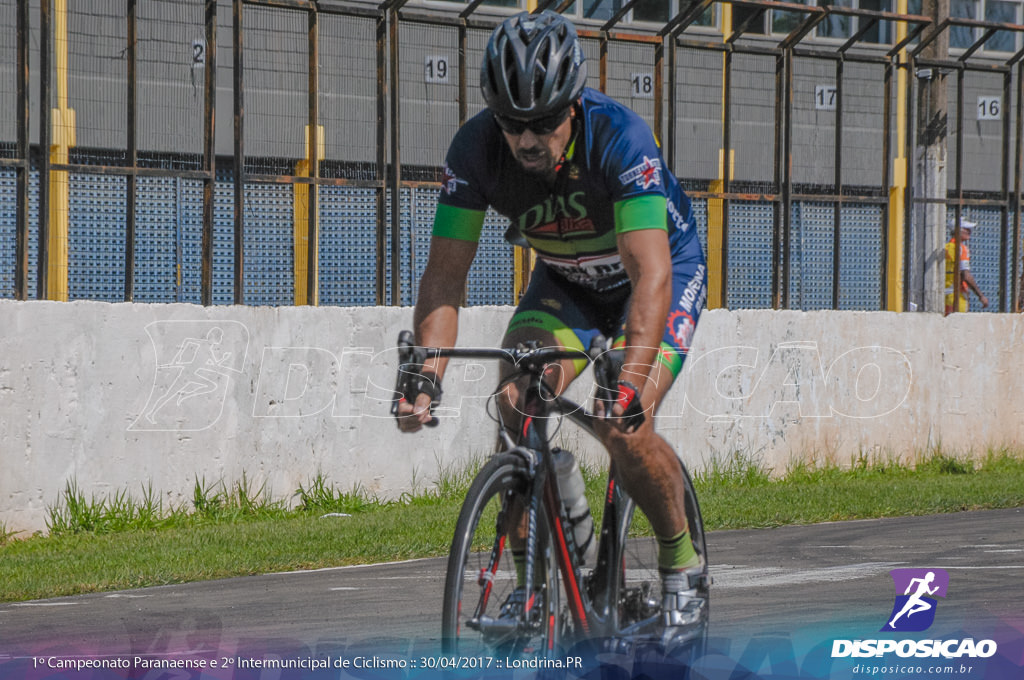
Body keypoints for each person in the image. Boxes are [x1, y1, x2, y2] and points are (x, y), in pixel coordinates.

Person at [395, 10, 707, 637]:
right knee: (515, 400)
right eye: (513, 124)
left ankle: (683, 566)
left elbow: (651, 274)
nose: (527, 139)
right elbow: (445, 276)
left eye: (543, 122)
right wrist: (424, 374)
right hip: (565, 283)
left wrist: (631, 379)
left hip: (653, 280)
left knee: (623, 424)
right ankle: (534, 585)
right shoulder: (476, 149)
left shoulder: (621, 138)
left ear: (573, 106)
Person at [944, 218, 989, 315]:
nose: (970, 231)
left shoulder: (946, 247)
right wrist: (981, 296)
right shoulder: (961, 249)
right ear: (958, 231)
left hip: (945, 296)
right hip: (957, 296)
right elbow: (966, 275)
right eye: (966, 229)